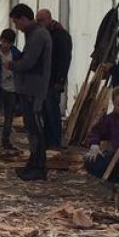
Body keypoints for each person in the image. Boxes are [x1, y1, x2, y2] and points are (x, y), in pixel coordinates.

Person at [8, 4, 52, 181]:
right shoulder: (35, 34)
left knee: (35, 129)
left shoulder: (38, 35)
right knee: (31, 128)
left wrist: (12, 65)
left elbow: (29, 62)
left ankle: (39, 167)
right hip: (31, 87)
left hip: (34, 89)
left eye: (16, 22)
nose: (16, 27)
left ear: (24, 19)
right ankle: (33, 164)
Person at [35, 9, 73, 148]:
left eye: (41, 20)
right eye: (37, 20)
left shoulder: (61, 35)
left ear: (49, 19)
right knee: (45, 111)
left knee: (52, 112)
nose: (38, 23)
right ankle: (48, 140)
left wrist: (60, 80)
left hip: (53, 80)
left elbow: (64, 59)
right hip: (43, 81)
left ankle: (55, 141)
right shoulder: (43, 35)